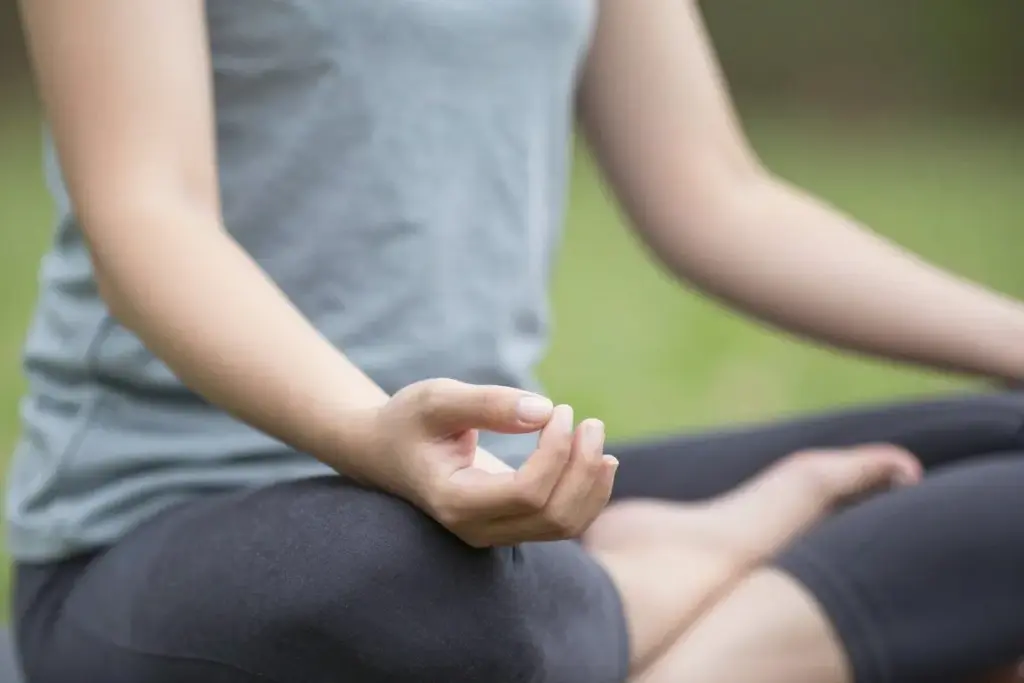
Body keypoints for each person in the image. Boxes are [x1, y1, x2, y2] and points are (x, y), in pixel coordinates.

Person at [7, 0, 1024, 681]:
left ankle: (653, 623)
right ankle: (669, 573)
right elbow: (150, 210)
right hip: (173, 536)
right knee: (401, 581)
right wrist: (370, 430)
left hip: (499, 515)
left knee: (1005, 450)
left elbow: (715, 191)